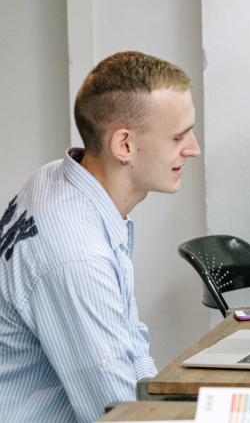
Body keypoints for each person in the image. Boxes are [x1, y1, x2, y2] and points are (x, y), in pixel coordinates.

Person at [0, 51, 200, 423]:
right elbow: (119, 416)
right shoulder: (76, 256)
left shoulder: (58, 177)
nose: (193, 148)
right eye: (178, 136)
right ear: (124, 145)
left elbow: (128, 337)